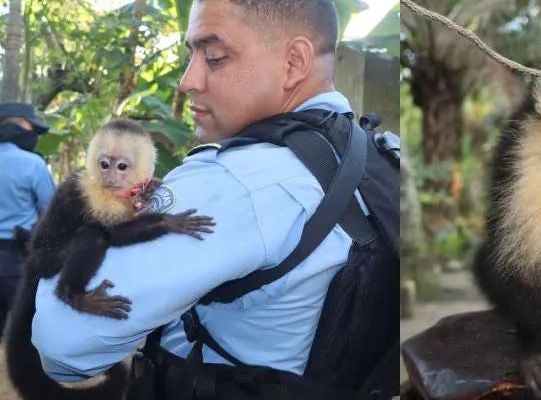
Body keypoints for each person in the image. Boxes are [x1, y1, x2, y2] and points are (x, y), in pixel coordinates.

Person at [31, 0, 396, 398]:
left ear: (294, 62)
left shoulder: (237, 181)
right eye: (192, 56)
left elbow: (63, 343)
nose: (189, 81)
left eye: (215, 57)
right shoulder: (379, 154)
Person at [0, 102, 54, 335]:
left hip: (16, 251)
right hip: (16, 256)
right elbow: (50, 210)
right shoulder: (32, 163)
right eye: (31, 128)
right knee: (27, 328)